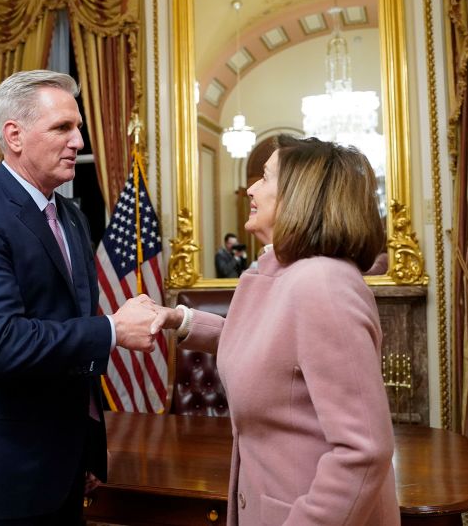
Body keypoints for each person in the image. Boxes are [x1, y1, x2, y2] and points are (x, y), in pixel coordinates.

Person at [0, 70, 159, 525]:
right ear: (14, 136)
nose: (78, 140)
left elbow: (68, 327)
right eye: (62, 128)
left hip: (65, 461)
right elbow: (2, 344)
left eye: (78, 127)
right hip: (2, 469)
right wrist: (114, 329)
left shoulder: (72, 216)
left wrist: (86, 449)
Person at [153, 135, 400, 525]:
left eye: (265, 178)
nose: (250, 188)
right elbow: (272, 347)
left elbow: (364, 449)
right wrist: (179, 320)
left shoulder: (322, 283)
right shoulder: (284, 272)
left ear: (300, 195)